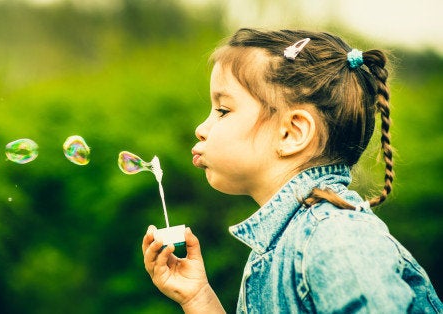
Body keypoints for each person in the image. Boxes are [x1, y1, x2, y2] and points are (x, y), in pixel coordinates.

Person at [141, 28, 442, 313]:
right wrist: (198, 297)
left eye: (222, 110)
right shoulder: (286, 242)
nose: (201, 129)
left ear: (292, 133)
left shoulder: (333, 238)